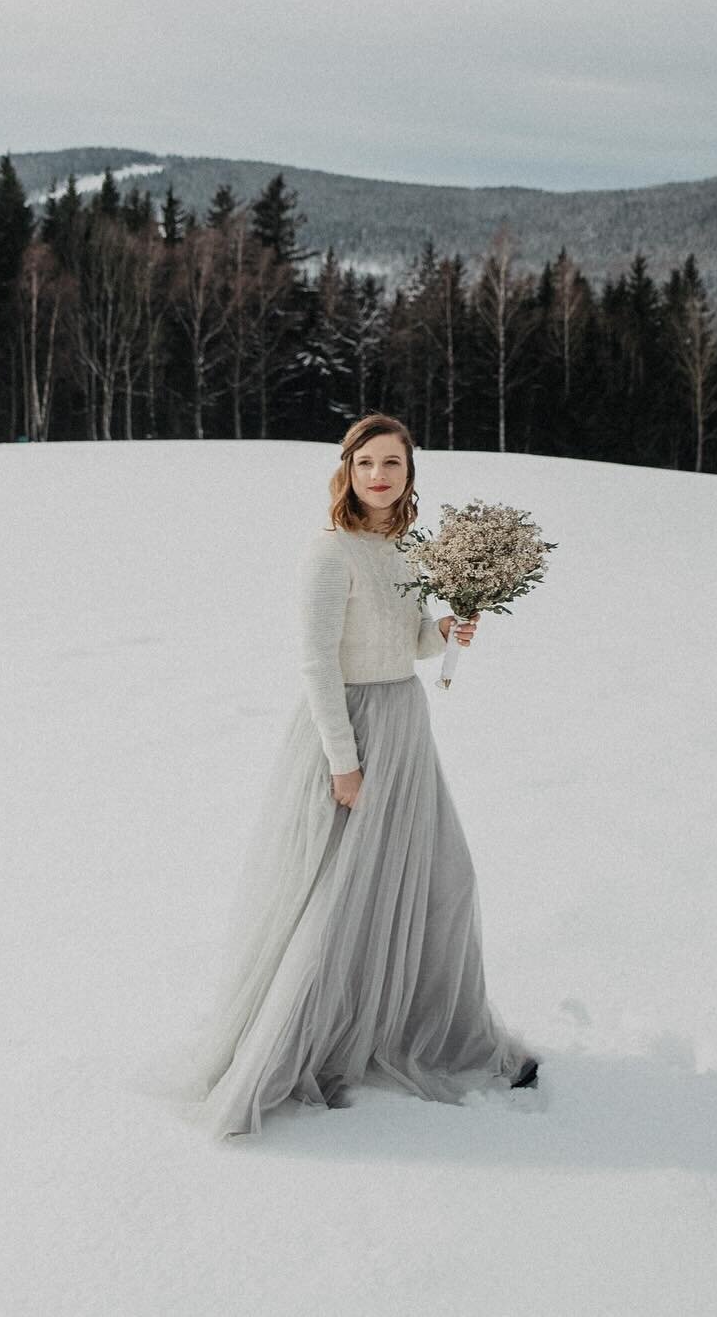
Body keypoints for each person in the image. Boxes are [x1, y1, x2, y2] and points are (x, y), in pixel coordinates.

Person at [187, 411, 539, 1139]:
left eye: (394, 464)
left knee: (444, 879)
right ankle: (302, 1045)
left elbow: (404, 640)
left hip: (407, 727)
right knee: (340, 898)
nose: (379, 475)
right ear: (346, 470)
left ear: (410, 475)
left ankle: (437, 1033)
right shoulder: (330, 552)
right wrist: (345, 764)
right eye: (367, 462)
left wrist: (447, 628)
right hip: (351, 732)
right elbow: (318, 661)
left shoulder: (402, 546)